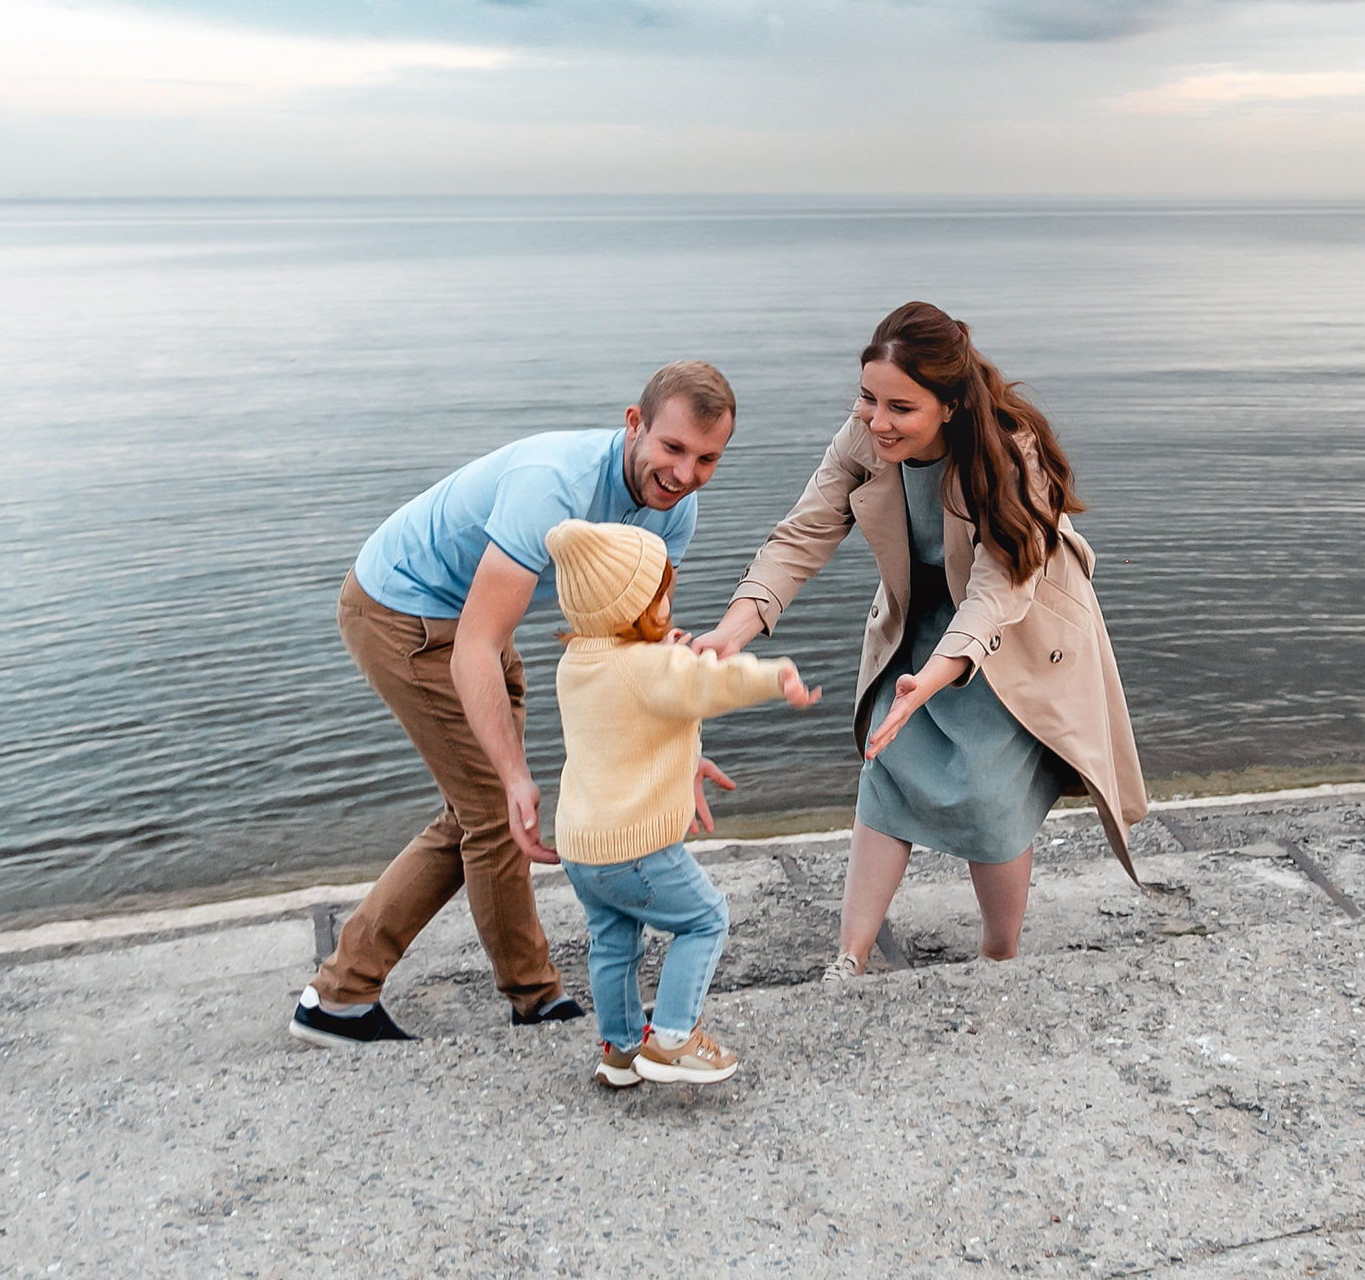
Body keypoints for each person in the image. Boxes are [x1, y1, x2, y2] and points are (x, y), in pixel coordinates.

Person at [290, 362, 741, 1048]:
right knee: (495, 811)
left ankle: (341, 993)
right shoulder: (552, 485)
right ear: (634, 425)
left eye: (707, 458)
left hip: (474, 619)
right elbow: (476, 644)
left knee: (477, 815)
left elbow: (640, 644)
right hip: (404, 610)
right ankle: (533, 1001)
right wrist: (514, 776)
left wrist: (682, 751)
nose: (684, 474)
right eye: (672, 448)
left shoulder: (674, 511)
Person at [693, 302, 1146, 978]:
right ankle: (848, 958)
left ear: (951, 406)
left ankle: (999, 952)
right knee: (887, 766)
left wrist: (931, 680)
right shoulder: (862, 439)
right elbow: (801, 536)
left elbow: (998, 591)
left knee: (990, 794)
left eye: (899, 407)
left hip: (1011, 637)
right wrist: (733, 631)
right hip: (919, 620)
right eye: (868, 398)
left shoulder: (1010, 452)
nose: (877, 420)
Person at [541, 519, 819, 1086]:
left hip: (582, 846)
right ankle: (673, 1037)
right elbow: (706, 686)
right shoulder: (651, 667)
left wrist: (657, 657)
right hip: (635, 844)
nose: (671, 597)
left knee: (614, 942)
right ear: (633, 607)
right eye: (662, 590)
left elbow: (633, 718)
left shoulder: (577, 664)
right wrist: (773, 677)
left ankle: (619, 1051)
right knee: (705, 919)